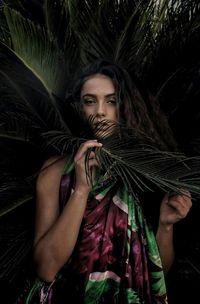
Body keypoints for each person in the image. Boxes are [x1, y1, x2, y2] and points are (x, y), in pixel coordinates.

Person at [18, 60, 192, 304]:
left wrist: (165, 226)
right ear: (79, 107)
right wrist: (81, 191)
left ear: (126, 107)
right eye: (90, 101)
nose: (100, 111)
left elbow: (156, 272)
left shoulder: (144, 176)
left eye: (111, 101)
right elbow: (46, 268)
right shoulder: (55, 173)